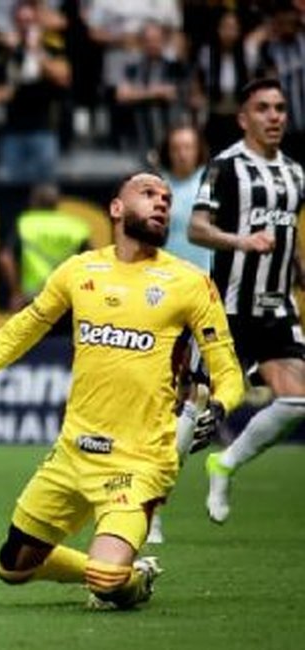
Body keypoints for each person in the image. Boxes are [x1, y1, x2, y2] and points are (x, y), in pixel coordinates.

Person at [0, 172, 245, 609]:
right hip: (72, 453)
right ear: (116, 209)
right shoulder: (79, 271)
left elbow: (228, 371)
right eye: (148, 194)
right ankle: (120, 572)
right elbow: (12, 338)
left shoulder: (189, 282)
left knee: (107, 579)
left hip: (139, 460)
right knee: (12, 568)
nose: (161, 204)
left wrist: (221, 408)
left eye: (167, 199)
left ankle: (129, 580)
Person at [188, 77, 305, 524]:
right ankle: (150, 509)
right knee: (194, 406)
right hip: (229, 308)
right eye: (263, 108)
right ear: (243, 118)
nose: (274, 116)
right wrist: (241, 241)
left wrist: (298, 270)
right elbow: (198, 228)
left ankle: (227, 463)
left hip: (277, 308)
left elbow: (287, 233)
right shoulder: (224, 166)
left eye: (279, 108)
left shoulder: (295, 172)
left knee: (298, 400)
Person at [146, 123, 212, 544]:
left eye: (190, 145)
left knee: (198, 399)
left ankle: (156, 500)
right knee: (165, 402)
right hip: (163, 301)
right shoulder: (157, 189)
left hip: (206, 299)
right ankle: (151, 509)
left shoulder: (214, 185)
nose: (184, 152)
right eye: (177, 146)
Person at [0, 183, 89, 313]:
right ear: (57, 201)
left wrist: (16, 293)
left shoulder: (24, 224)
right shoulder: (76, 226)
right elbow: (90, 263)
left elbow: (6, 259)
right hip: (68, 298)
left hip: (33, 298)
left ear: (33, 201)